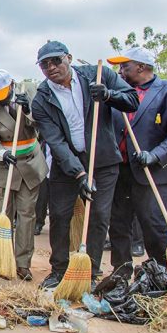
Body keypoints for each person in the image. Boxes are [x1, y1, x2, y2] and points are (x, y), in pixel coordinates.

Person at [31, 41, 139, 288]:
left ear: (69, 57)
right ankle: (58, 270)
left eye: (56, 60)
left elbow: (132, 100)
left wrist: (109, 95)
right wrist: (78, 173)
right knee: (59, 215)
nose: (51, 67)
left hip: (103, 161)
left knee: (99, 215)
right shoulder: (41, 99)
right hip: (66, 164)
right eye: (45, 65)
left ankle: (89, 271)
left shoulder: (98, 75)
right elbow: (56, 142)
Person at [106, 47, 167, 277]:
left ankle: (160, 273)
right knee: (118, 223)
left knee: (153, 223)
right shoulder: (120, 92)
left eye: (124, 66)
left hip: (152, 171)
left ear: (140, 67)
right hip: (120, 169)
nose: (120, 70)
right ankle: (121, 272)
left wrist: (155, 154)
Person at [0, 70, 48, 281]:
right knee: (2, 215)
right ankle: (2, 260)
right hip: (3, 165)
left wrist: (27, 110)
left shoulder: (31, 91)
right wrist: (2, 153)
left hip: (30, 164)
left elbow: (41, 125)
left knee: (26, 215)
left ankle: (23, 264)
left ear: (12, 85)